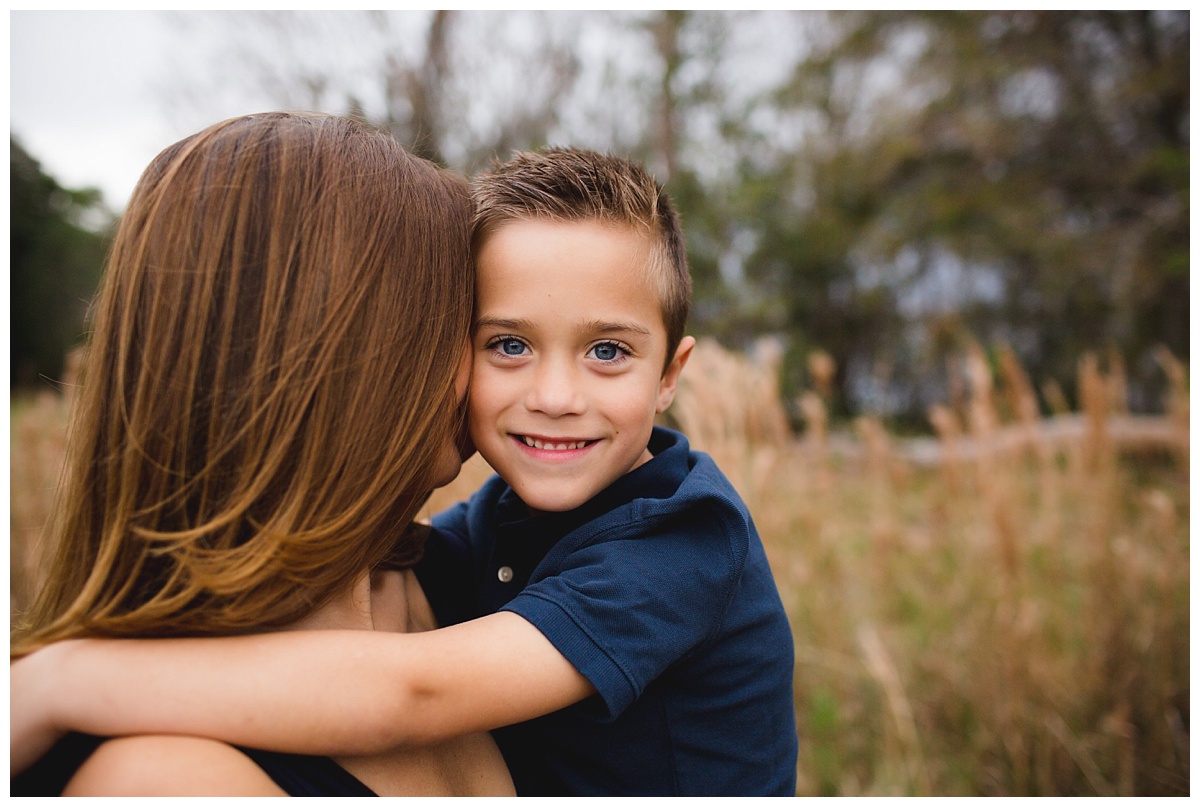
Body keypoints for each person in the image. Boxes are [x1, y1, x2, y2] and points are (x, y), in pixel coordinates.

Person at [12, 148, 799, 796]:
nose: (553, 398)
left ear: (671, 373)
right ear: (330, 365)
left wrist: (61, 680)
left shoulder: (684, 528)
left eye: (607, 351)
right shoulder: (168, 775)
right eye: (501, 343)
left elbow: (413, 690)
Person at [9, 111, 515, 796]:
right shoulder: (166, 779)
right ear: (359, 367)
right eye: (478, 332)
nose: (502, 378)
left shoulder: (464, 582)